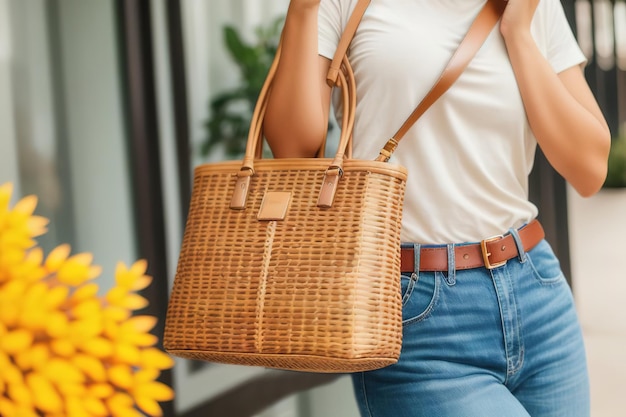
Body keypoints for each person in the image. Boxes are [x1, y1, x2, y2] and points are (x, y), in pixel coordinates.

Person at [263, 0, 611, 416]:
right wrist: (302, 11)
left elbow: (589, 169)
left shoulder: (535, 7)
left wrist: (518, 33)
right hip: (417, 316)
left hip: (537, 292)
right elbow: (293, 151)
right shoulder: (342, 4)